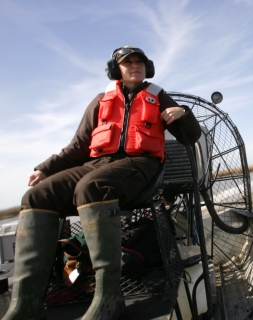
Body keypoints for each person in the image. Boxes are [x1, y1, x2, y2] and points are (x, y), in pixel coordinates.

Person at [3, 46, 201, 320]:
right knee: (37, 196)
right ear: (115, 70)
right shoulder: (100, 100)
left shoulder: (159, 97)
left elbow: (190, 137)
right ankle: (26, 304)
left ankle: (109, 298)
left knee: (91, 187)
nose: (134, 66)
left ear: (148, 67)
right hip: (97, 165)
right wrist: (46, 167)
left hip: (140, 165)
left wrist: (183, 114)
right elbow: (78, 146)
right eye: (127, 62)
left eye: (139, 62)